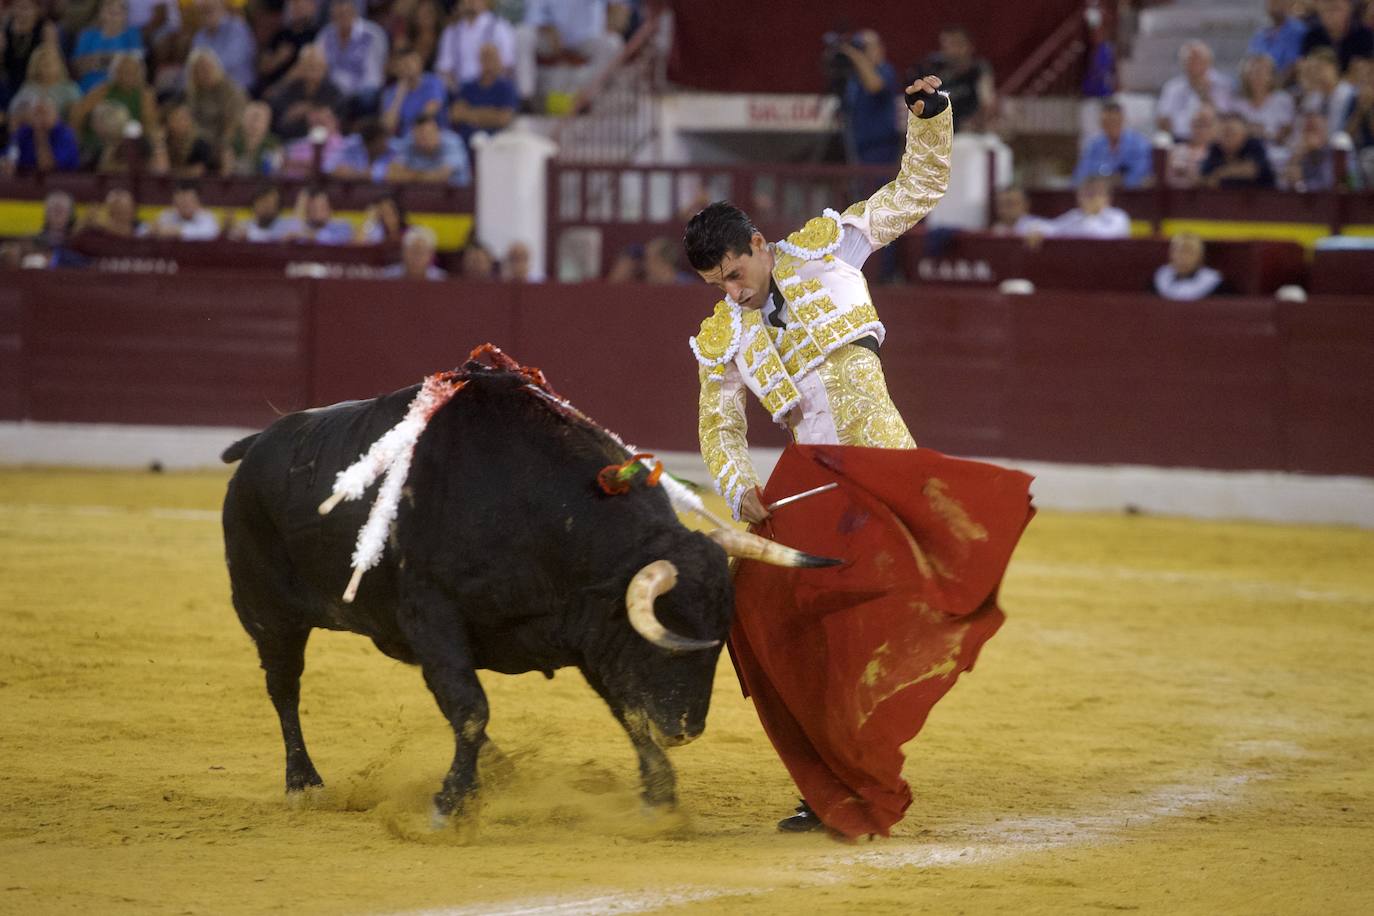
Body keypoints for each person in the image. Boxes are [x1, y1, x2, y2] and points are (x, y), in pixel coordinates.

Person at [684, 76, 1033, 840]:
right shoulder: (722, 335)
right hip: (812, 487)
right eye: (716, 286)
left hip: (880, 474)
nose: (731, 294)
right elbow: (721, 428)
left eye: (734, 275)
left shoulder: (829, 247)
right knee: (768, 619)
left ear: (757, 246)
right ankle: (833, 780)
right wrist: (740, 487)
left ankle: (855, 771)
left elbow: (918, 188)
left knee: (868, 628)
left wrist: (931, 118)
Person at [837, 29, 902, 165]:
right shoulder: (854, 77)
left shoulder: (885, 70)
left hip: (881, 147)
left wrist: (855, 55)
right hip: (858, 146)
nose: (863, 52)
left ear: (879, 49)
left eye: (865, 47)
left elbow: (874, 86)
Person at [317, 0, 389, 116]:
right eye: (338, 15)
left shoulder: (373, 34)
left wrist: (350, 93)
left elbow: (375, 75)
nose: (342, 18)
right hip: (332, 91)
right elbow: (318, 65)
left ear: (354, 12)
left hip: (363, 92)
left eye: (345, 13)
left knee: (367, 97)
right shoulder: (325, 35)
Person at [918, 25, 995, 132]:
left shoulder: (978, 70)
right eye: (944, 46)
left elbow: (987, 103)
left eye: (953, 45)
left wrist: (979, 121)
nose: (947, 51)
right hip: (947, 134)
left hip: (975, 132)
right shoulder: (934, 71)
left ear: (967, 47)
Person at [266, 44, 345, 141]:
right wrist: (290, 116)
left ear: (325, 67)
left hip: (325, 144)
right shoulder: (288, 90)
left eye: (317, 65)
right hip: (292, 142)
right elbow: (278, 123)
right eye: (309, 65)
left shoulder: (334, 92)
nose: (313, 70)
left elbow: (338, 120)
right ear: (300, 67)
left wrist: (309, 110)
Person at [1156, 41, 1233, 140]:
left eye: (1198, 60)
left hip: (1214, 143)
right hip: (1179, 140)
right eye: (1189, 60)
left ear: (1209, 62)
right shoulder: (1173, 87)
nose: (1193, 65)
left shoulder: (1224, 85)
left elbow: (1227, 118)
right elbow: (1163, 119)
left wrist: (1204, 95)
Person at [436, 0, 516, 93]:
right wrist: (458, 92)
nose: (471, 1)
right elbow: (444, 69)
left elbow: (507, 65)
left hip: (492, 91)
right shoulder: (451, 31)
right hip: (461, 91)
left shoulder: (500, 27)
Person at [1072, 98, 1153, 188]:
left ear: (1122, 120)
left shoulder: (1139, 144)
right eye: (1107, 123)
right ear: (1101, 123)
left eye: (1114, 122)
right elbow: (1080, 175)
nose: (1111, 126)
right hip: (1099, 194)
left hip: (1130, 195)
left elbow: (1141, 173)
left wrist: (1119, 181)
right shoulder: (1094, 145)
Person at [449, 41, 518, 147]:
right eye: (485, 57)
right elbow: (456, 114)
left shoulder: (506, 87)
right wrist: (490, 114)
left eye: (492, 57)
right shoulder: (468, 86)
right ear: (479, 60)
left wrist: (470, 113)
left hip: (496, 143)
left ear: (499, 60)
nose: (488, 62)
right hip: (466, 141)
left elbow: (503, 119)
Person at [71, 0, 144, 93]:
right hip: (89, 88)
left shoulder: (132, 34)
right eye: (110, 7)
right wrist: (118, 59)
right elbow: (79, 67)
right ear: (101, 12)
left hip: (122, 88)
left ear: (126, 14)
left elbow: (136, 65)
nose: (115, 9)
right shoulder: (87, 35)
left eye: (120, 8)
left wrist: (97, 60)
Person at [1233, 53, 1296, 152]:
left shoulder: (1283, 99)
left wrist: (1263, 133)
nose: (1257, 77)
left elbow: (1287, 132)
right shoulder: (1237, 103)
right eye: (1252, 72)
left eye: (1262, 72)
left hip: (1277, 153)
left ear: (1271, 76)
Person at [380, 44, 446, 137]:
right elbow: (388, 126)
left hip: (436, 136)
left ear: (420, 63)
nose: (409, 67)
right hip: (407, 140)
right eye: (404, 64)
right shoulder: (390, 92)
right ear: (397, 68)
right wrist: (400, 93)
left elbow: (431, 110)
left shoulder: (433, 81)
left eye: (413, 62)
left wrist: (415, 130)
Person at [255, 0, 320, 94]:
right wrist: (278, 58)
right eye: (295, 4)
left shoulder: (314, 36)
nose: (298, 8)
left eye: (302, 4)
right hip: (268, 86)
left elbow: (304, 68)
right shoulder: (281, 34)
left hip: (295, 89)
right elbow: (262, 67)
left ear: (312, 8)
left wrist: (278, 88)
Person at [1035, 176, 1131, 239]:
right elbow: (1053, 228)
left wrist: (1090, 216)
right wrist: (1037, 230)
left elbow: (1102, 240)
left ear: (1107, 198)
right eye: (1087, 193)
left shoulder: (1118, 217)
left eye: (1097, 193)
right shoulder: (1075, 215)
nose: (1092, 198)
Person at [386, 114, 470, 184]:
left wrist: (410, 176)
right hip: (419, 196)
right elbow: (392, 174)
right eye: (420, 135)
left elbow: (441, 176)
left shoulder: (452, 141)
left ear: (437, 132)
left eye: (428, 134)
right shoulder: (409, 142)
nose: (424, 139)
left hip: (455, 197)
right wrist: (425, 176)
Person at [190, 0, 255, 90]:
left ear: (222, 5)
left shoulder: (237, 29)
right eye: (203, 11)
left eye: (210, 9)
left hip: (241, 92)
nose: (207, 14)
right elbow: (192, 68)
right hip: (209, 94)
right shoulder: (199, 37)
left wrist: (203, 69)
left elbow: (232, 62)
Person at [1201, 113, 1277, 188]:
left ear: (1245, 134)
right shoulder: (1215, 148)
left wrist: (1220, 173)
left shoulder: (1254, 145)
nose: (1226, 138)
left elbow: (1253, 170)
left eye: (1231, 133)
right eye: (1222, 133)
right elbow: (1205, 178)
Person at [5, 96, 80, 172]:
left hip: (62, 180)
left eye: (44, 113)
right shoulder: (24, 132)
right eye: (36, 113)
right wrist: (6, 163)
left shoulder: (66, 135)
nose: (39, 118)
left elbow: (47, 167)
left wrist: (40, 135)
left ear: (56, 115)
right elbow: (9, 156)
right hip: (26, 180)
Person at [1301, 0, 1374, 73]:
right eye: (1326, 10)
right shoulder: (1312, 37)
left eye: (1336, 9)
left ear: (1349, 9)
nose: (1331, 15)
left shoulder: (1364, 35)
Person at [1153, 232, 1227, 301]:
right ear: (1171, 255)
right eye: (1178, 251)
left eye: (1189, 252)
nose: (1183, 257)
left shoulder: (1217, 287)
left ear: (1200, 256)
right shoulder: (1159, 283)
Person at [1248, 0, 1310, 81]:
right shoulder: (1260, 34)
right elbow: (1252, 61)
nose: (1274, 6)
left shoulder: (1298, 30)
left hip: (1286, 86)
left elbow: (1295, 64)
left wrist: (1276, 84)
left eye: (1278, 2)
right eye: (1271, 2)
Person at [1166, 104, 1219, 187]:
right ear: (1191, 125)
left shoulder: (1219, 153)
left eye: (1206, 124)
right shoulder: (1176, 150)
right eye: (1197, 123)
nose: (1200, 129)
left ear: (1216, 127)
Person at [224, 100, 282, 176]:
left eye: (259, 119)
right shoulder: (231, 139)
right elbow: (226, 172)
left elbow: (274, 172)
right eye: (251, 118)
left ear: (267, 122)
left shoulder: (273, 144)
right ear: (243, 119)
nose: (254, 123)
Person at [283, 185, 354, 244]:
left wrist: (306, 235)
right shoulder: (301, 226)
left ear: (330, 208)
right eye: (314, 208)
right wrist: (300, 207)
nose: (318, 212)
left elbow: (331, 240)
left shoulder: (342, 226)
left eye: (322, 207)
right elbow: (289, 235)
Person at [153, 181, 221, 239]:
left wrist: (177, 231)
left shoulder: (207, 217)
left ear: (198, 202)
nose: (184, 205)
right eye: (180, 201)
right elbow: (151, 230)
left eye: (188, 201)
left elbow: (209, 232)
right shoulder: (166, 215)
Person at [380, 224, 446, 278]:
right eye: (413, 251)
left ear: (430, 254)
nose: (417, 257)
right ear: (403, 252)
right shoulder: (387, 277)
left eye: (421, 252)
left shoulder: (441, 279)